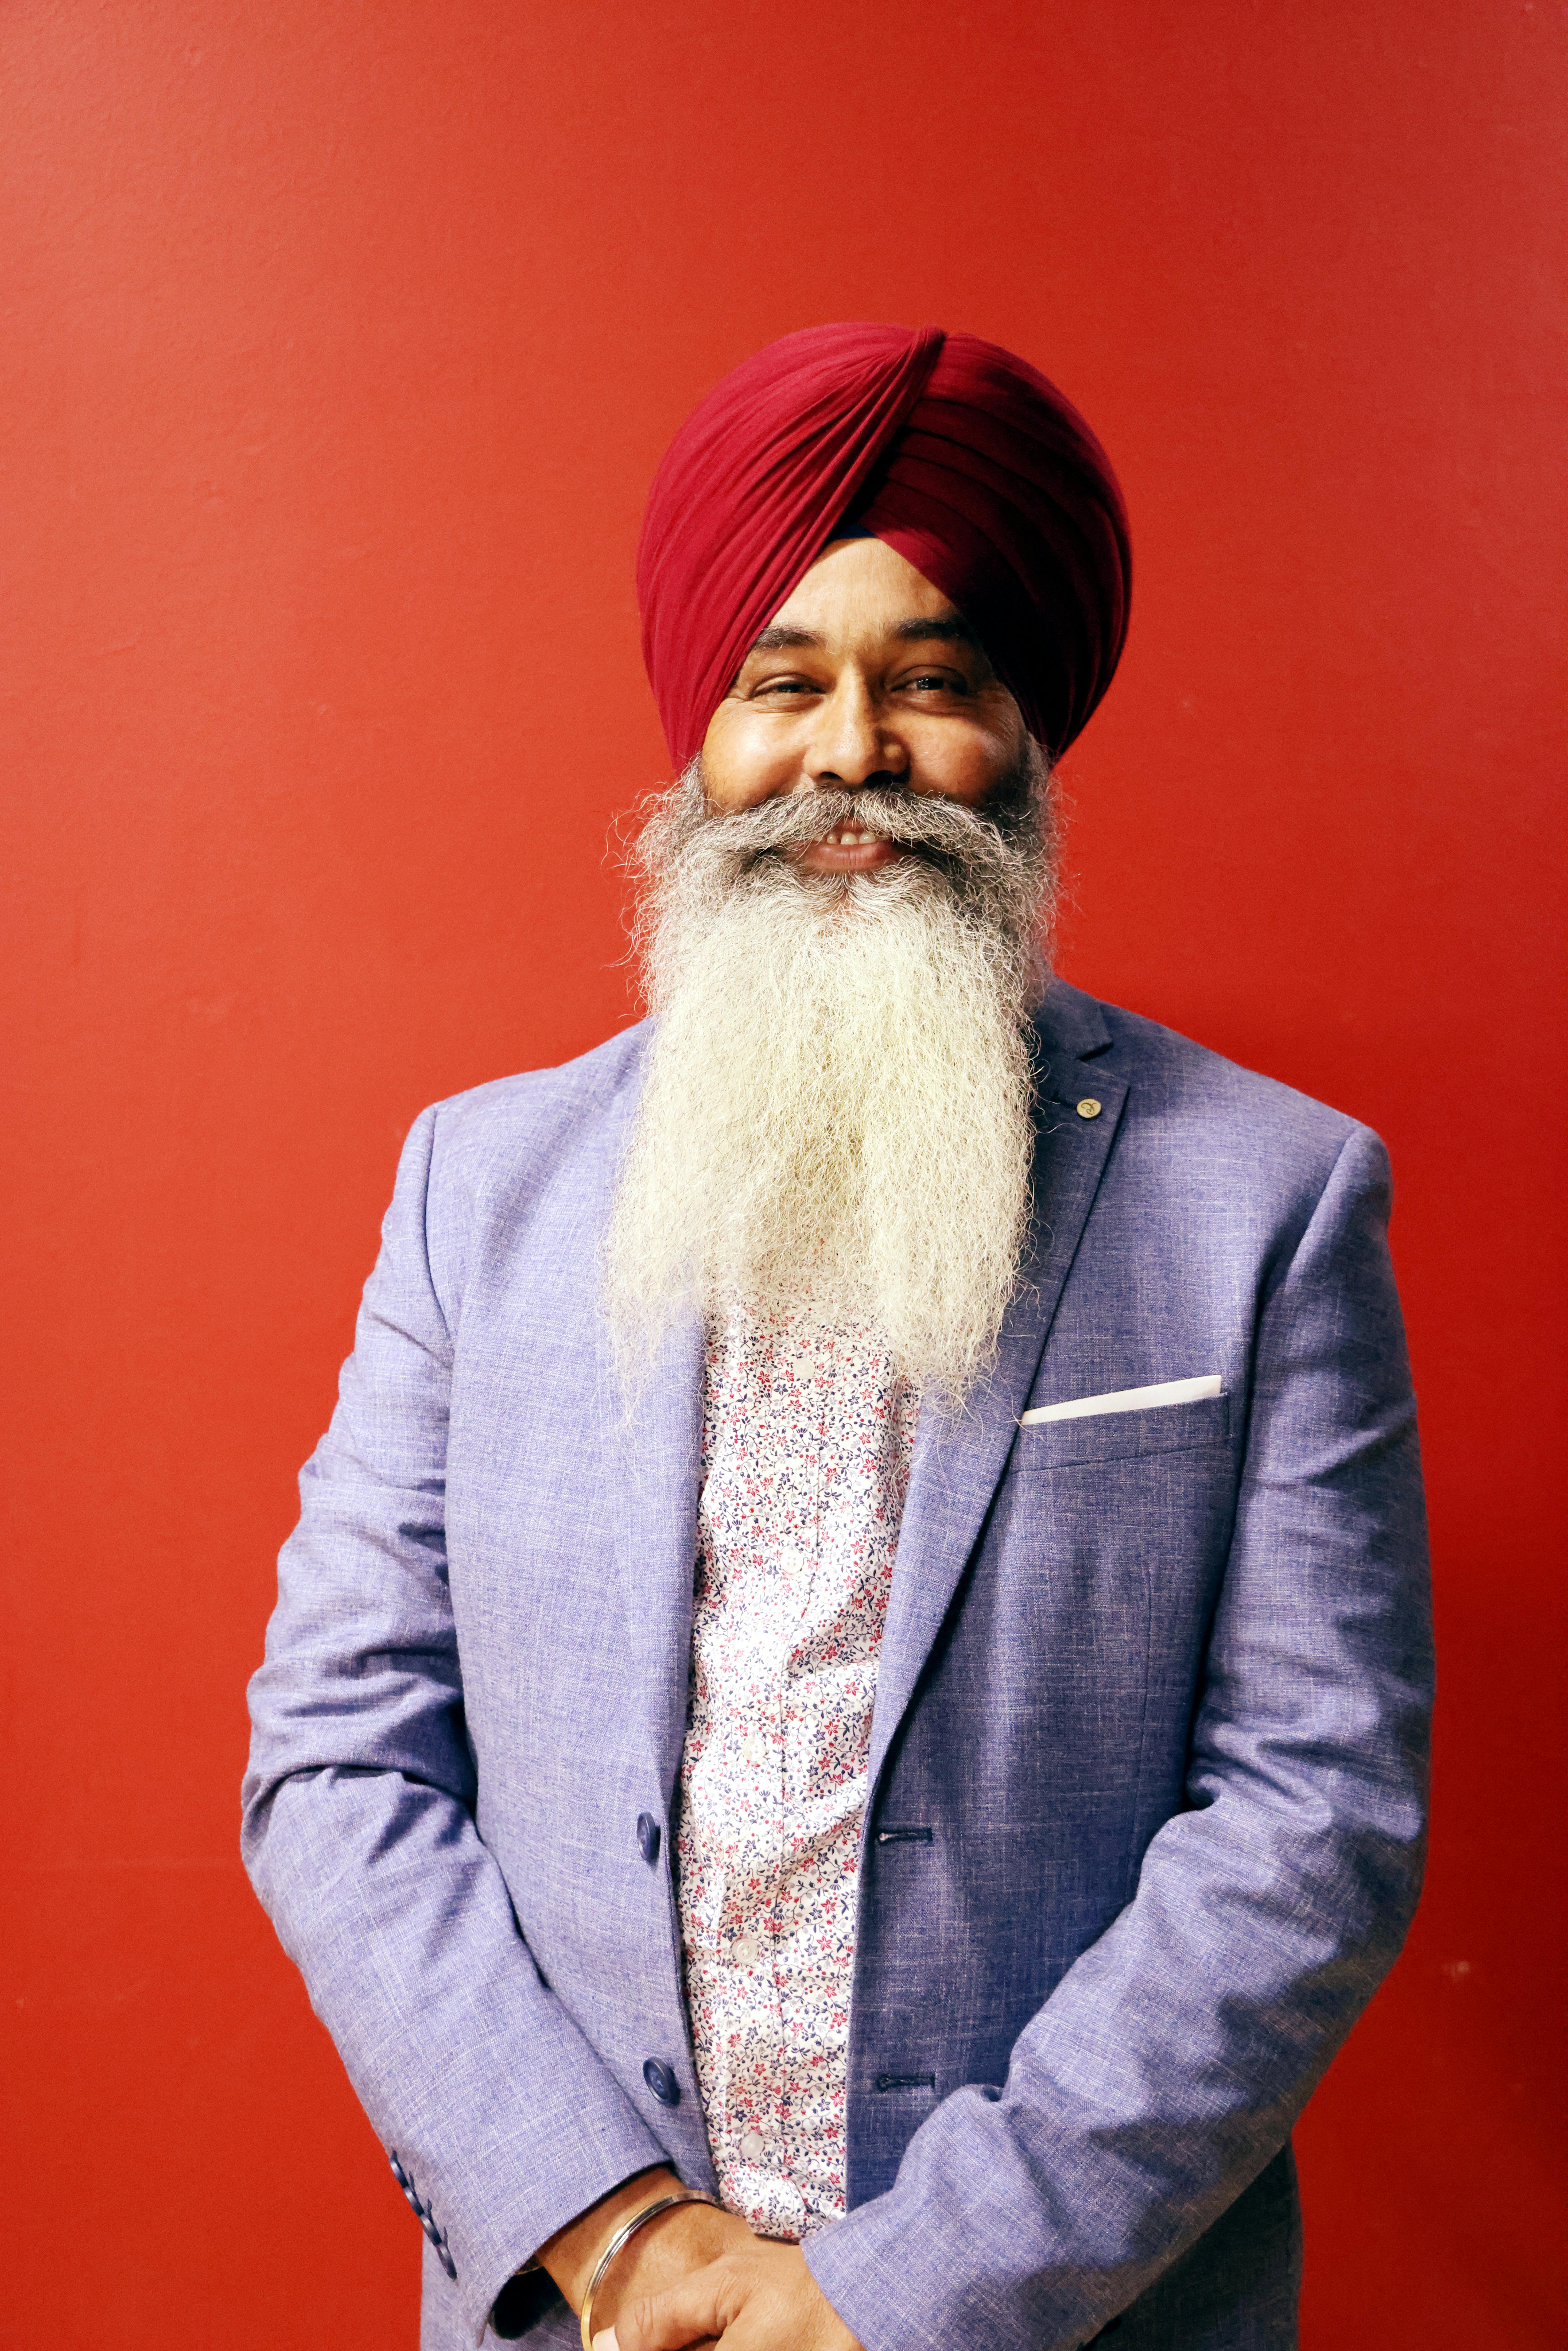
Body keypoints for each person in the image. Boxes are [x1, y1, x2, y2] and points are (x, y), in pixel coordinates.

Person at [242, 322, 1433, 2351]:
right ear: (698, 745)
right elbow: (338, 1749)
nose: (851, 753)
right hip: (588, 2307)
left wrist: (897, 2293)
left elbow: (1310, 1815)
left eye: (932, 684)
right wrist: (614, 2233)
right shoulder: (478, 1188)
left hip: (1068, 2312)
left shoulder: (1269, 1199)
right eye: (781, 683)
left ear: (1030, 734)